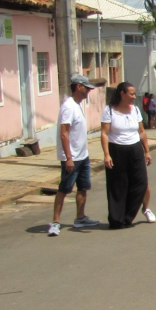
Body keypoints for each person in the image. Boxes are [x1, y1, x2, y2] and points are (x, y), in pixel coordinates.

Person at [49, 75, 101, 236]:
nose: (88, 92)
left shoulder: (78, 106)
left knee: (83, 188)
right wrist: (69, 158)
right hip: (72, 158)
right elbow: (64, 134)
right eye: (87, 88)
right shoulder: (68, 107)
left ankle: (80, 217)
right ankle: (56, 222)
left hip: (83, 156)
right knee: (64, 189)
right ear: (79, 87)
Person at [100, 82, 152, 229]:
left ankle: (128, 216)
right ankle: (117, 219)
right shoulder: (110, 110)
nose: (134, 97)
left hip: (135, 149)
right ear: (122, 94)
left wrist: (147, 151)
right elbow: (104, 133)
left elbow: (142, 131)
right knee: (118, 185)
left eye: (135, 94)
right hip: (117, 149)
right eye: (131, 94)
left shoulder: (135, 110)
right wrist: (106, 155)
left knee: (140, 183)